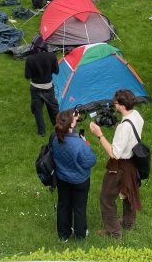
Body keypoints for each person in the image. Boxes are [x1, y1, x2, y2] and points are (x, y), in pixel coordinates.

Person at [89, 89, 144, 239]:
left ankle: (114, 231)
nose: (114, 104)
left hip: (120, 166)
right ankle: (128, 223)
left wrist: (99, 135)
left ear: (121, 105)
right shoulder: (136, 115)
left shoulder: (123, 127)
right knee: (129, 193)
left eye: (115, 103)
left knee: (106, 197)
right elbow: (130, 134)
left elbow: (114, 153)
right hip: (133, 163)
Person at [51, 109, 97, 241]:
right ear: (70, 125)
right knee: (79, 207)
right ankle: (80, 235)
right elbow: (91, 161)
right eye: (74, 120)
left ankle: (63, 235)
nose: (76, 120)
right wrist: (85, 143)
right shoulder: (79, 144)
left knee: (63, 205)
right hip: (79, 181)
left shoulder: (55, 138)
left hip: (62, 179)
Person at [25, 37, 59, 136]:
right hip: (48, 87)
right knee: (53, 109)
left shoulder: (30, 59)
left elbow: (27, 76)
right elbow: (56, 71)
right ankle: (59, 127)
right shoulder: (52, 56)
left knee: (37, 110)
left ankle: (41, 132)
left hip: (35, 88)